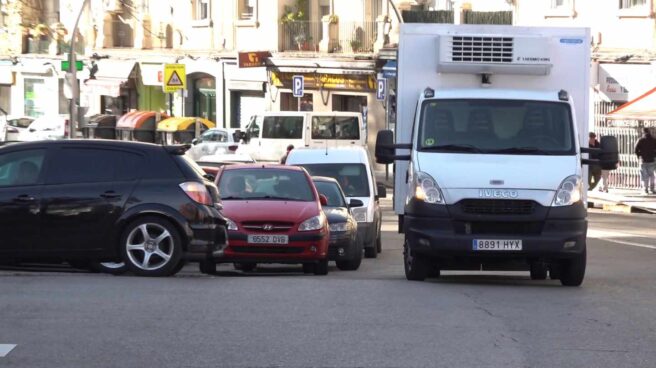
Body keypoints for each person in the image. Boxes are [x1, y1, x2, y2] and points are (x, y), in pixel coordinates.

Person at [635, 127, 656, 194]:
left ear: (643, 132)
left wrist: (639, 156)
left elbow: (635, 149)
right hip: (651, 159)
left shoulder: (640, 140)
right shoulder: (654, 140)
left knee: (644, 175)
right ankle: (652, 188)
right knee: (651, 174)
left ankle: (645, 188)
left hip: (643, 160)